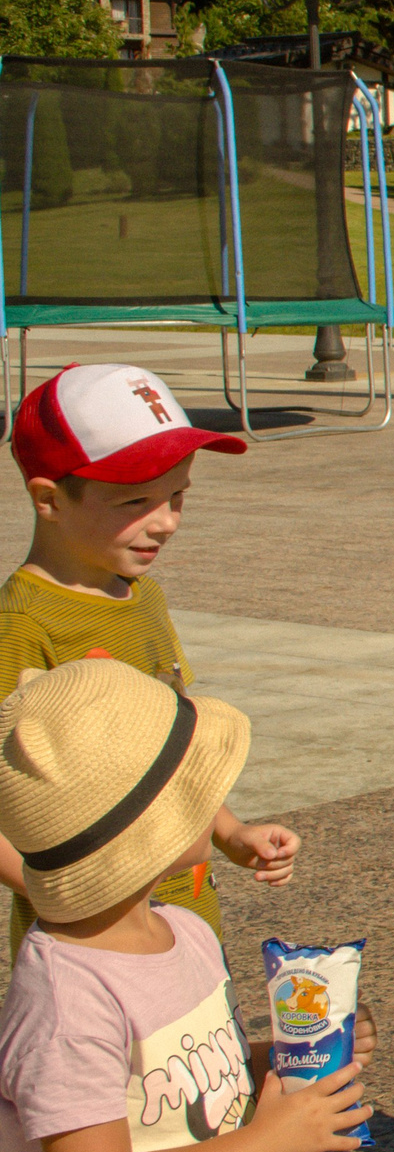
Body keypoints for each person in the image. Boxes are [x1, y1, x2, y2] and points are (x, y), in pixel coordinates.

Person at [0, 656, 375, 1152]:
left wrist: (294, 1060)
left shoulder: (186, 933)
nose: (218, 795)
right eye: (193, 788)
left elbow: (191, 1076)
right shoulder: (66, 996)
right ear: (144, 830)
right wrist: (273, 1140)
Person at [0, 365, 299, 965]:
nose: (166, 521)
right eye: (136, 501)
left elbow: (166, 751)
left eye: (178, 496)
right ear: (49, 499)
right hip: (91, 945)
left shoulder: (145, 598)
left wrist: (228, 831)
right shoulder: (24, 623)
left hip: (186, 923)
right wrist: (74, 891)